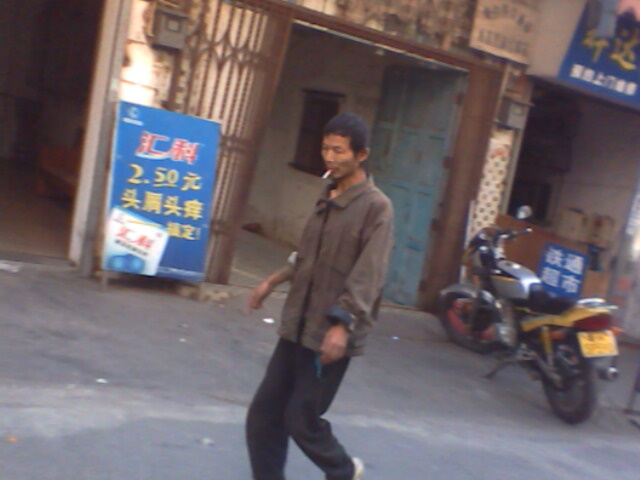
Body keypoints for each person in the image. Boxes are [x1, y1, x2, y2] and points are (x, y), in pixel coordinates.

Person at [245, 112, 394, 480]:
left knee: (301, 418)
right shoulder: (327, 195)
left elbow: (368, 274)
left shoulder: (376, 207)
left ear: (361, 155)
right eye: (326, 148)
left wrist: (342, 326)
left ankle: (344, 471)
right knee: (263, 417)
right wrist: (273, 280)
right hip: (298, 324)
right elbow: (307, 253)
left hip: (329, 332)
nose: (330, 157)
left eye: (339, 150)